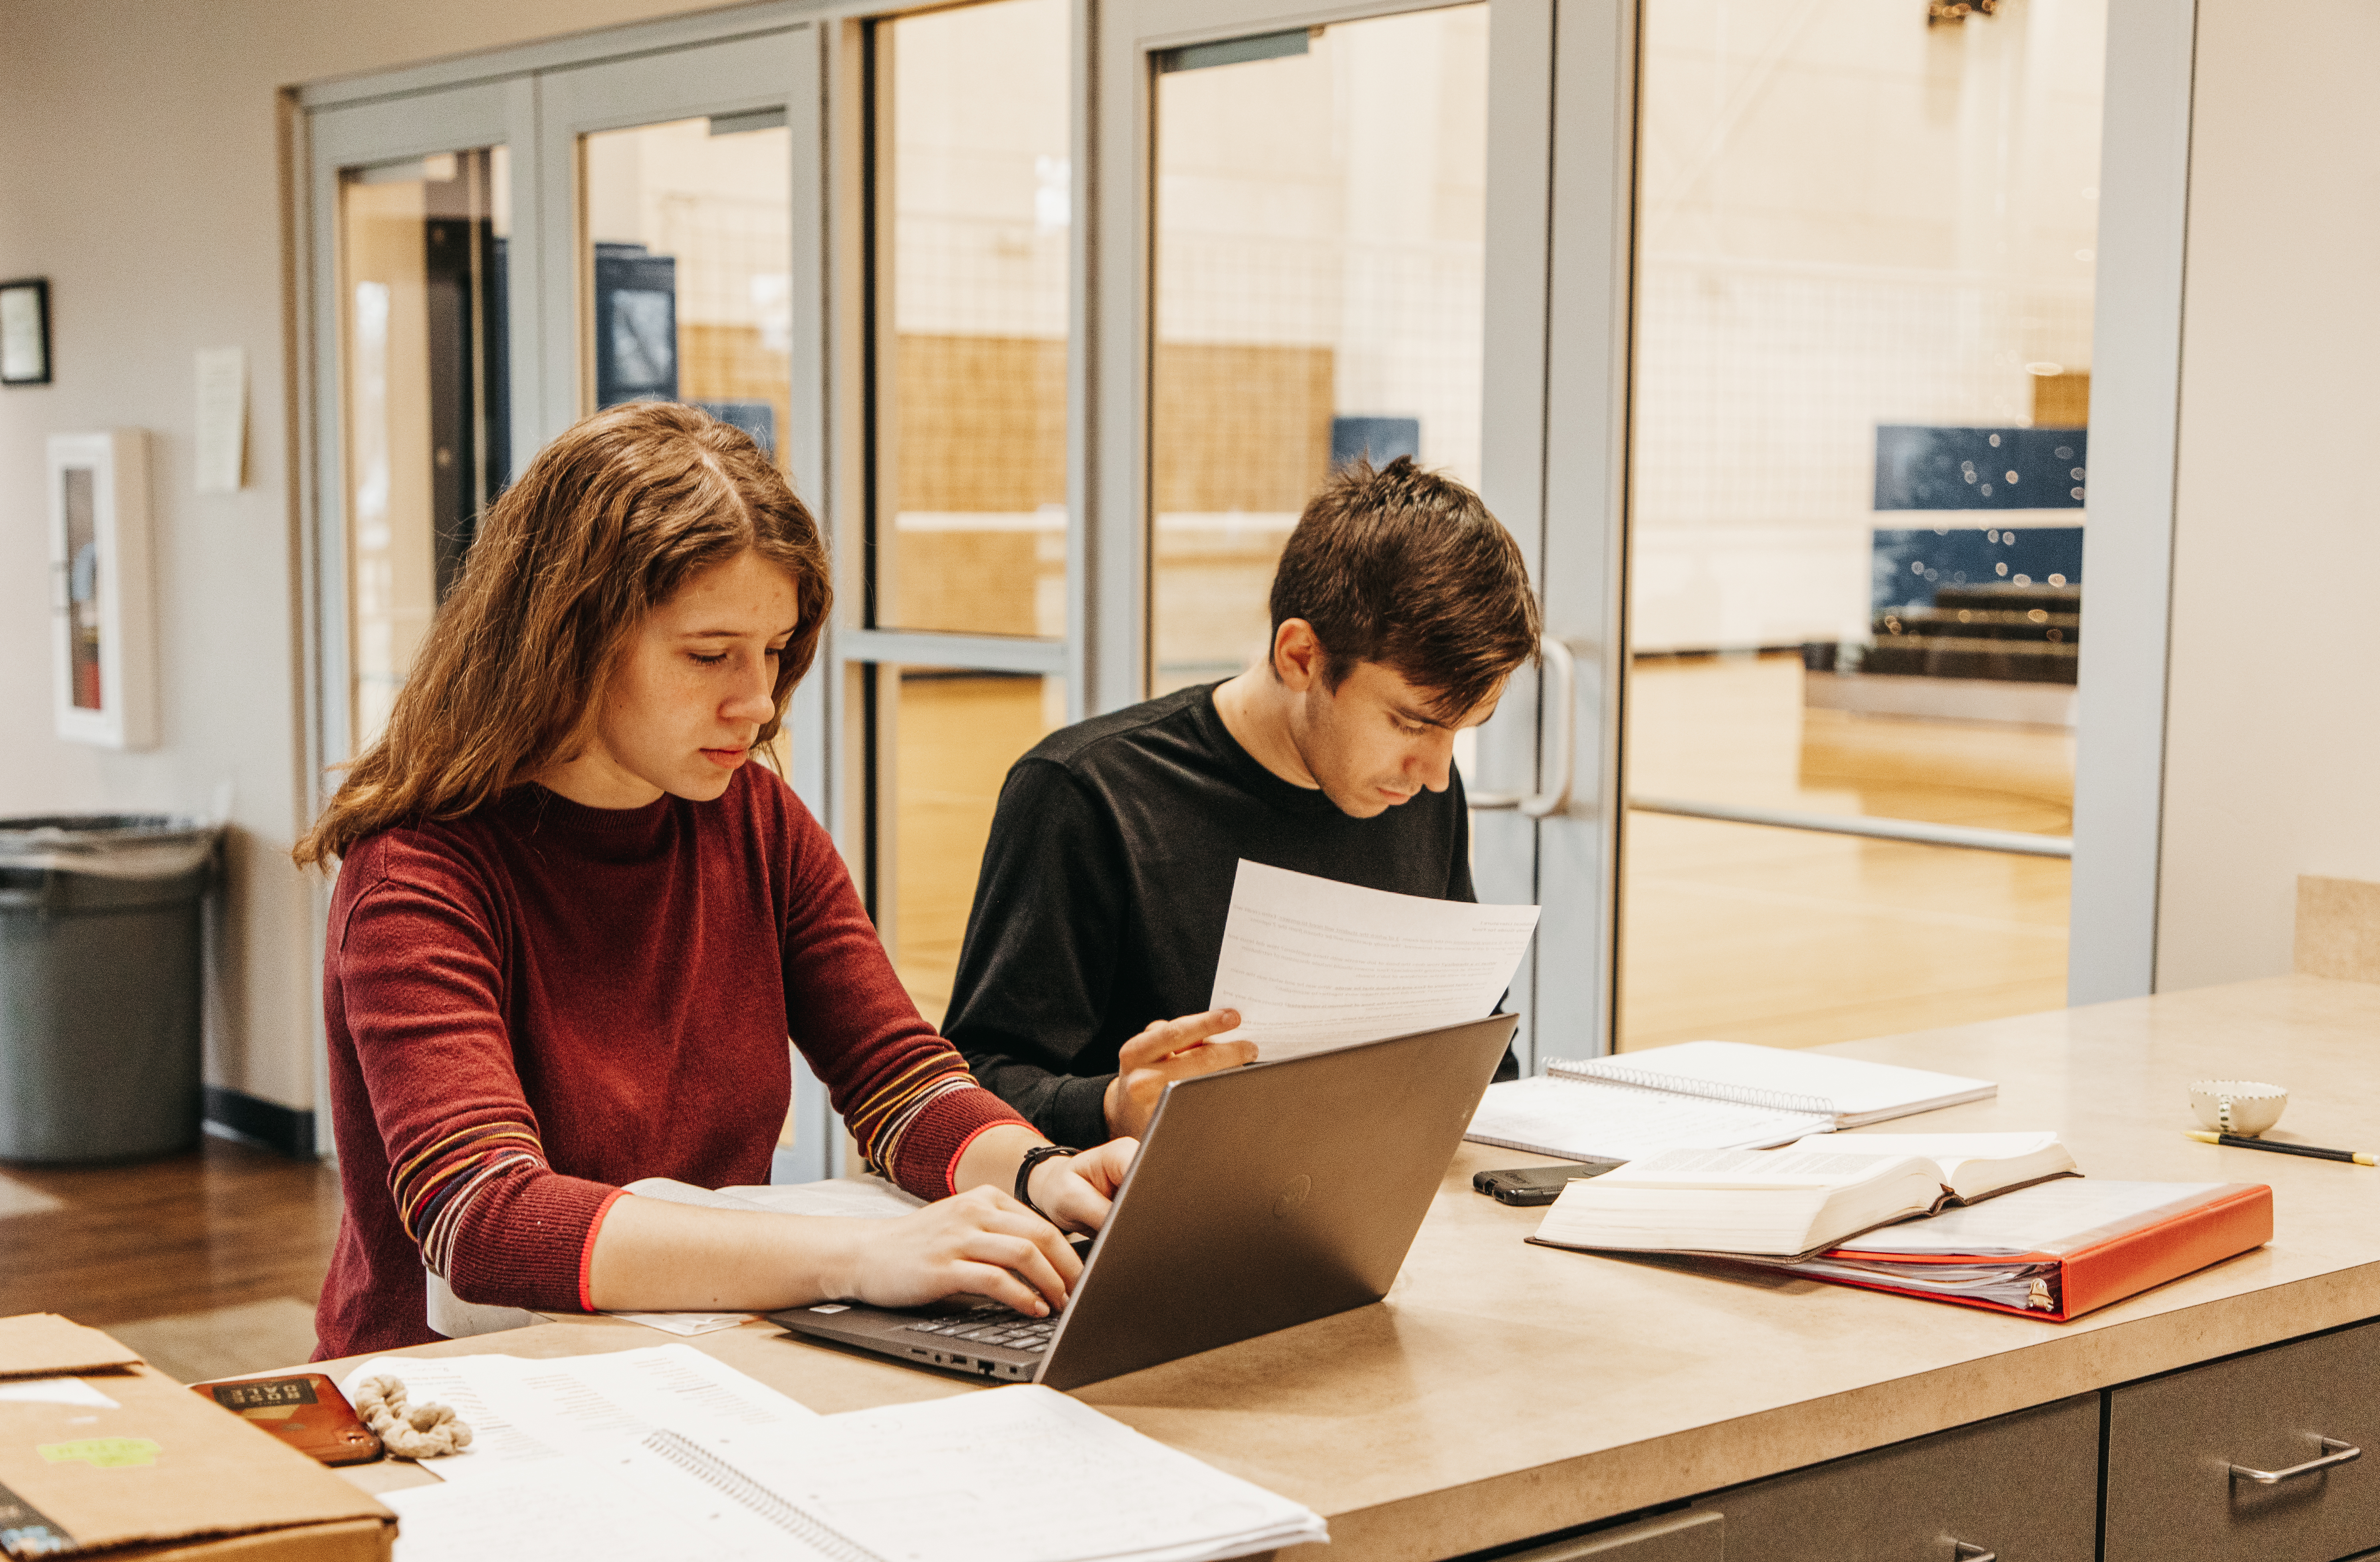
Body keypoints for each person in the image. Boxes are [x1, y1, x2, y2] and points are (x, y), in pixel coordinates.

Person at [294, 402, 1131, 1360]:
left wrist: (1039, 1175)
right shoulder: (418, 870)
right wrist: (857, 1256)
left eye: (773, 653)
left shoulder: (755, 821)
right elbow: (482, 1218)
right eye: (708, 655)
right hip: (455, 1388)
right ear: (568, 636)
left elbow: (896, 1079)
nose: (759, 702)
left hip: (693, 1351)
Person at [942, 456, 1542, 1147]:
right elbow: (970, 1084)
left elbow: (1480, 1050)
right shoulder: (1085, 793)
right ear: (1300, 656)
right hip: (1139, 1221)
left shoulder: (1415, 789)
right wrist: (1110, 1106)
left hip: (1372, 1199)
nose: (1436, 775)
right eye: (1410, 723)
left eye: (1459, 732)